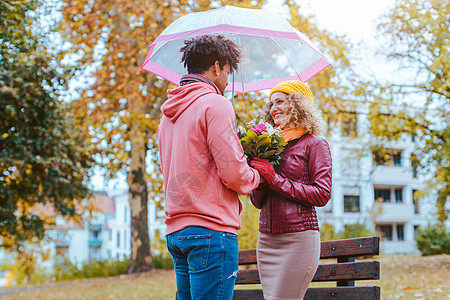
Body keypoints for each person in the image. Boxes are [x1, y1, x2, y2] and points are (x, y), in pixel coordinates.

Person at [158, 34, 261, 300]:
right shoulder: (216, 104)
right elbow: (234, 174)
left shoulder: (168, 116)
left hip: (177, 231)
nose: (228, 80)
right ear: (216, 66)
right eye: (228, 71)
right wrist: (257, 175)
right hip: (211, 230)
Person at [250, 80, 332, 300]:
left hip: (299, 238)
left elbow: (322, 194)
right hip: (267, 240)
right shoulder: (268, 146)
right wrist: (258, 180)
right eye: (271, 104)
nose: (273, 108)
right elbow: (257, 202)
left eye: (280, 102)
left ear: (298, 105)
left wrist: (274, 179)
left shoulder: (315, 143)